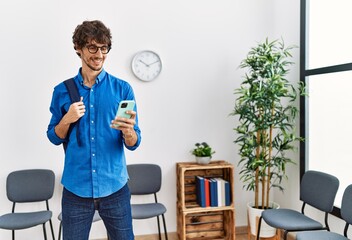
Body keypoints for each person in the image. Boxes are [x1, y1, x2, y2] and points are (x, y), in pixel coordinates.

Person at [47, 20, 141, 240]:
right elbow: (53, 136)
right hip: (76, 189)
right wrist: (67, 119)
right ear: (78, 49)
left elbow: (134, 142)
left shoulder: (122, 89)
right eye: (92, 47)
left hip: (115, 188)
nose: (99, 54)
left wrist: (128, 132)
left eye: (103, 48)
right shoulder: (62, 91)